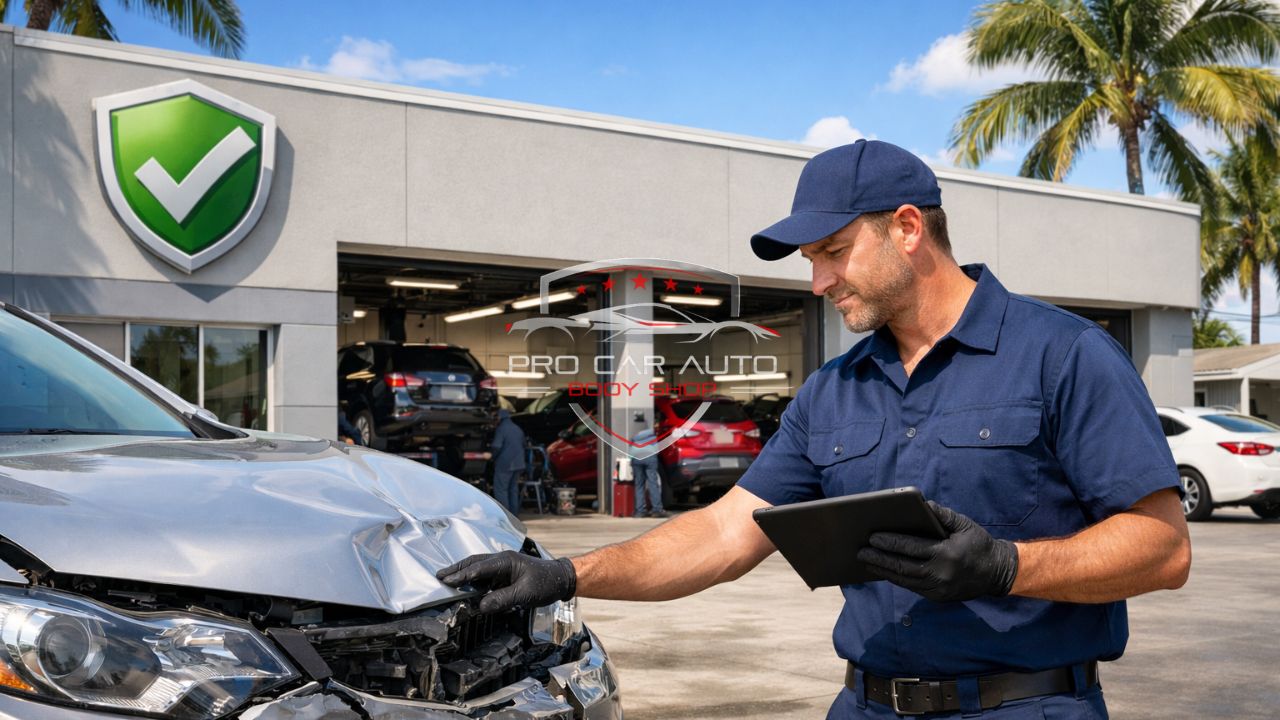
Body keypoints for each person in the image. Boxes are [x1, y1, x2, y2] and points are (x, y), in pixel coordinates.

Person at [438, 140, 1191, 719]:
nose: (818, 283)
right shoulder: (834, 390)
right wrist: (568, 576)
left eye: (833, 253)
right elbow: (724, 535)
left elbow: (1163, 548)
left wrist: (1005, 567)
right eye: (811, 261)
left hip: (1028, 705)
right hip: (862, 703)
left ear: (907, 229)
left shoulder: (1064, 355)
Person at [489, 408, 527, 515]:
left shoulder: (501, 429)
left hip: (505, 464)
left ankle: (504, 517)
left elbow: (497, 446)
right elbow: (524, 445)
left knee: (501, 490)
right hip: (519, 464)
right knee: (513, 490)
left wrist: (491, 456)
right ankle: (514, 516)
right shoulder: (517, 428)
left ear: (499, 417)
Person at [630, 425, 667, 518]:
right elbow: (657, 450)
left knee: (639, 485)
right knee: (653, 483)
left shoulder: (635, 436)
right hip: (650, 458)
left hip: (636, 458)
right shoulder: (653, 436)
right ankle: (657, 510)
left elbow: (630, 449)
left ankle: (640, 511)